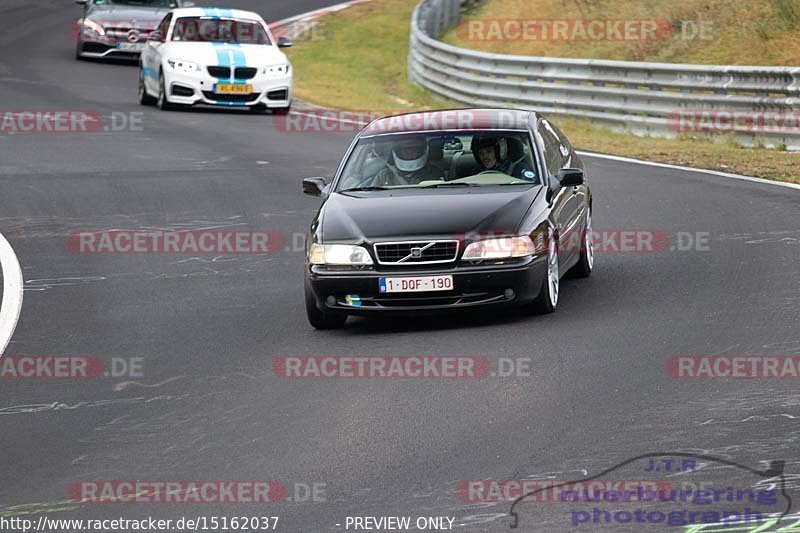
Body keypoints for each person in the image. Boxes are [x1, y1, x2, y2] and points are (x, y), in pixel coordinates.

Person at [371, 137, 443, 186]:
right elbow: (372, 196)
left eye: (413, 149)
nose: (409, 153)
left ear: (422, 151)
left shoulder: (434, 172)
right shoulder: (384, 175)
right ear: (397, 152)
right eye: (405, 150)